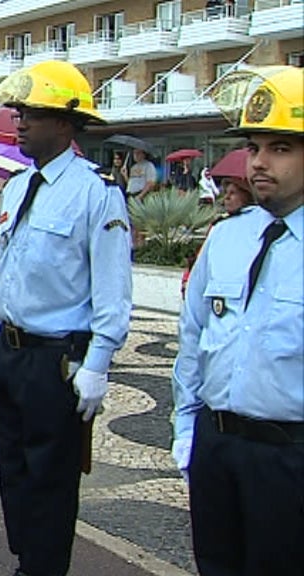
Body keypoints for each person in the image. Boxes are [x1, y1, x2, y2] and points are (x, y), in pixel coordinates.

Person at [0, 60, 132, 576]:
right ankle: (28, 560)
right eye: (20, 111)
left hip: (55, 359)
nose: (20, 122)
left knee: (50, 477)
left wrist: (99, 361)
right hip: (8, 349)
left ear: (67, 123)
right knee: (14, 470)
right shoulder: (20, 186)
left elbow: (113, 287)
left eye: (34, 113)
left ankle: (44, 568)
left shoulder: (98, 191)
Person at [172, 65, 303, 576]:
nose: (259, 162)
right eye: (253, 147)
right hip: (218, 446)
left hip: (288, 457)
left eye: (280, 148)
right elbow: (193, 336)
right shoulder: (228, 236)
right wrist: (187, 427)